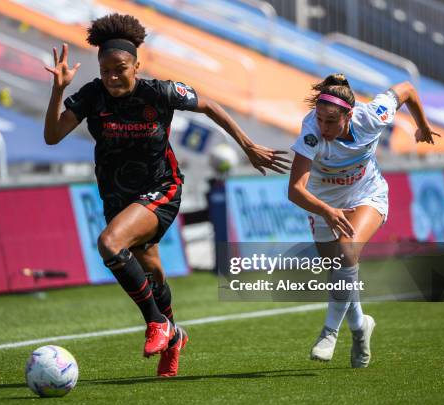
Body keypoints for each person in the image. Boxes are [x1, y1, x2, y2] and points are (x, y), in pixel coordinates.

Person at [44, 13, 290, 377]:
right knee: (153, 272)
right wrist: (59, 89)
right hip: (116, 195)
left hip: (161, 188)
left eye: (120, 69)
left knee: (110, 244)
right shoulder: (91, 95)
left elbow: (209, 106)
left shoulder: (159, 92)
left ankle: (158, 324)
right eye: (106, 70)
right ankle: (175, 337)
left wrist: (247, 145)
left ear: (137, 65)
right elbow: (52, 136)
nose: (112, 77)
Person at [288, 73, 440, 368]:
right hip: (324, 203)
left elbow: (407, 89)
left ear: (350, 114)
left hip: (367, 195)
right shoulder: (311, 133)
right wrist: (326, 211)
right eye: (319, 119)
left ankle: (329, 333)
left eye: (330, 121)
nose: (323, 127)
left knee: (347, 252)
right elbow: (295, 190)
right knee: (339, 273)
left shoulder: (372, 116)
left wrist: (422, 125)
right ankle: (360, 329)